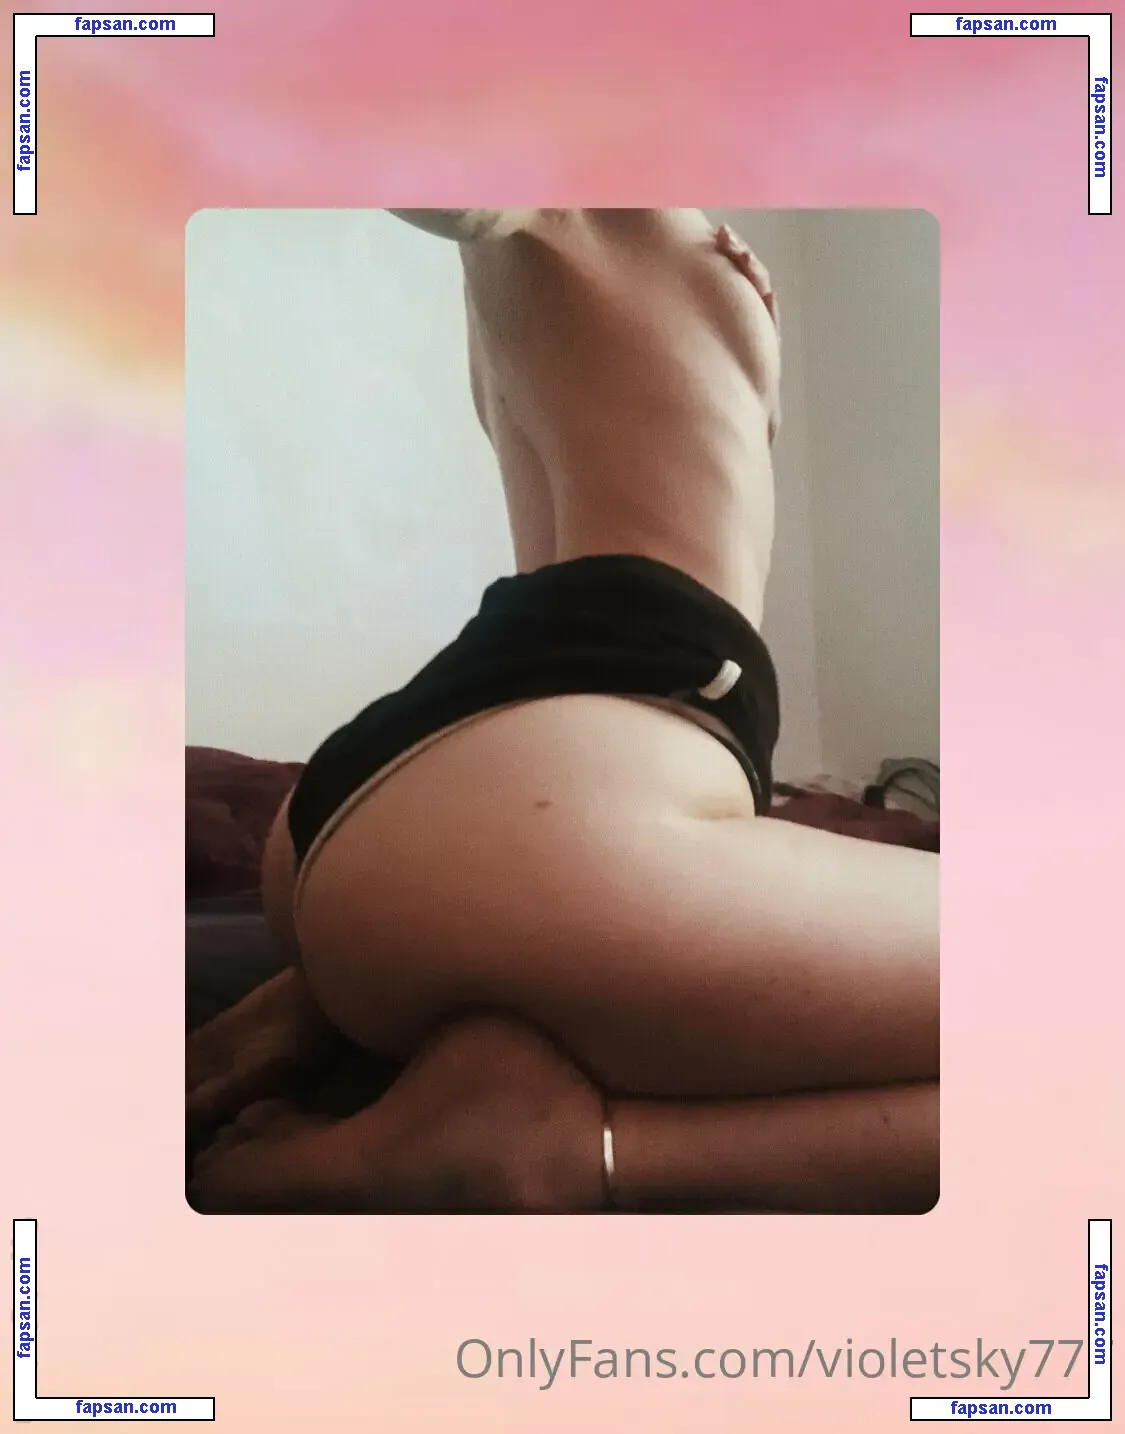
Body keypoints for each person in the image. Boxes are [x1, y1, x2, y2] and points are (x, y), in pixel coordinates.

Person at [187, 209, 939, 1215]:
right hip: (554, 800)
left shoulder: (594, 228)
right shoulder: (579, 190)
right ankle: (569, 1148)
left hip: (439, 803)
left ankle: (337, 990)